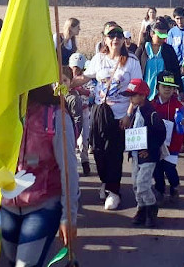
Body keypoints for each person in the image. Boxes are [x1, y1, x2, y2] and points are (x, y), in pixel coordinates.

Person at [0, 84, 79, 267]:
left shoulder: (57, 117)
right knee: (11, 262)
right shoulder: (2, 114)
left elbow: (69, 171)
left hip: (43, 206)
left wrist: (69, 216)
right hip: (7, 206)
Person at [74, 24, 143, 210]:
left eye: (119, 35)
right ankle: (105, 181)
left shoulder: (132, 62)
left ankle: (114, 191)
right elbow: (85, 78)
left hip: (120, 114)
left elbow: (137, 90)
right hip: (99, 111)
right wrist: (65, 82)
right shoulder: (99, 59)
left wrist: (129, 114)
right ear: (105, 39)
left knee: (114, 153)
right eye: (111, 35)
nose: (115, 39)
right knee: (97, 150)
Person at [122, 78, 167, 228]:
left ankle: (151, 208)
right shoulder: (136, 111)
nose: (131, 98)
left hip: (148, 156)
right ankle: (141, 209)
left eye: (133, 95)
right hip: (136, 155)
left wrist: (149, 149)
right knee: (135, 184)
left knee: (143, 184)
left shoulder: (151, 112)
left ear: (142, 95)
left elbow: (160, 133)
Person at [151, 70, 184, 203]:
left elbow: (183, 123)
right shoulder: (152, 104)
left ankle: (174, 185)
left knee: (169, 168)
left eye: (170, 87)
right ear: (157, 87)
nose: (167, 90)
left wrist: (182, 121)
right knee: (157, 168)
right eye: (164, 86)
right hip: (156, 144)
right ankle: (159, 190)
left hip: (173, 144)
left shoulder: (178, 105)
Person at [136, 20, 184, 100]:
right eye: (159, 36)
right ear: (152, 34)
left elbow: (176, 71)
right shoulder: (142, 49)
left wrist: (181, 90)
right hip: (144, 94)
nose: (162, 39)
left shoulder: (169, 50)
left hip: (164, 95)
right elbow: (135, 71)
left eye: (164, 37)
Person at [68, 53, 93, 176]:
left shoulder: (86, 79)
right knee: (71, 137)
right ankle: (72, 164)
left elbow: (93, 93)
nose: (75, 71)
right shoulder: (67, 79)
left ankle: (85, 161)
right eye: (73, 68)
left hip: (84, 111)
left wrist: (82, 90)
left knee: (84, 137)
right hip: (70, 114)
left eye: (77, 69)